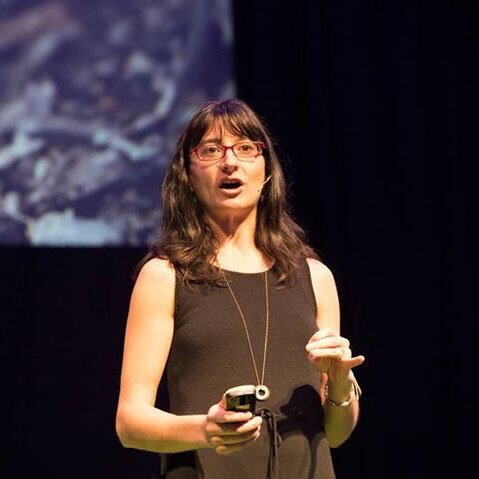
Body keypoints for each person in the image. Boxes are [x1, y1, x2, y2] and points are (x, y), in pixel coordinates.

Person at [115, 98, 365, 478]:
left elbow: (335, 433)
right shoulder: (165, 276)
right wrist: (205, 429)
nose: (229, 162)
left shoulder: (314, 277)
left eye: (246, 148)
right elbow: (130, 424)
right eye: (211, 150)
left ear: (266, 172)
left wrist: (341, 382)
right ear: (188, 173)